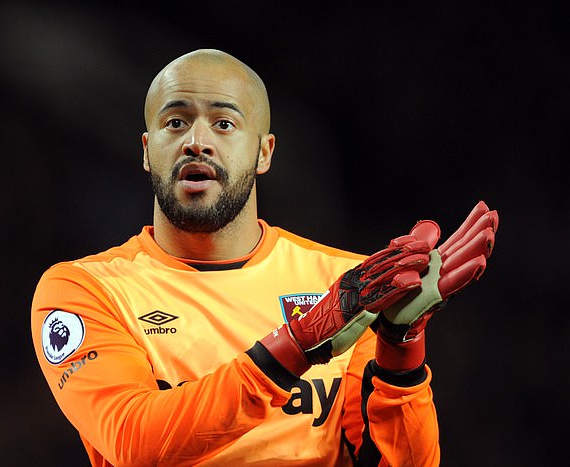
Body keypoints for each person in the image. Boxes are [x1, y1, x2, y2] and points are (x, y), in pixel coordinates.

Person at [31, 49, 498, 466]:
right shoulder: (84, 290)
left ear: (263, 152)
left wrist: (402, 349)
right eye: (175, 122)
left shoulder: (348, 282)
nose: (197, 140)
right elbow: (136, 443)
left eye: (224, 123)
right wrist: (296, 344)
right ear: (148, 151)